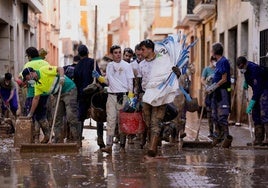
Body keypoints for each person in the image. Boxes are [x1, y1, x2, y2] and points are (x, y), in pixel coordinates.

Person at [139, 39, 179, 158]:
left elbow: (174, 73)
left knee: (156, 121)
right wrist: (135, 98)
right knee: (148, 121)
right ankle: (155, 140)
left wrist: (177, 72)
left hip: (160, 95)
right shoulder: (141, 65)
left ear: (151, 49)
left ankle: (152, 147)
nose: (141, 52)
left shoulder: (163, 61)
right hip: (146, 95)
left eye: (143, 49)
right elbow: (138, 82)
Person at [22, 65, 81, 145]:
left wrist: (62, 77)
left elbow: (60, 68)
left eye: (27, 78)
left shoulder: (44, 69)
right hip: (57, 94)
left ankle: (77, 141)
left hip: (69, 90)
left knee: (71, 116)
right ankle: (58, 141)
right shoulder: (37, 85)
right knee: (56, 117)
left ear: (31, 73)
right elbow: (36, 99)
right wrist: (31, 113)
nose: (28, 81)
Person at [92, 45, 135, 153]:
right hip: (111, 96)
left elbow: (131, 82)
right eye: (115, 52)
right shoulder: (110, 66)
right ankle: (109, 145)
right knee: (111, 121)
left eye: (119, 52)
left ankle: (122, 145)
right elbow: (107, 82)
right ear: (112, 54)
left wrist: (131, 99)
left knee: (122, 122)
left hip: (124, 96)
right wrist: (99, 77)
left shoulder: (127, 66)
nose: (118, 54)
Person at [73, 44, 104, 148]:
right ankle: (100, 139)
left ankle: (78, 141)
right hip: (94, 93)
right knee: (99, 115)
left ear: (79, 54)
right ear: (87, 52)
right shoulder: (93, 62)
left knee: (80, 117)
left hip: (82, 94)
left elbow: (76, 82)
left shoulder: (77, 66)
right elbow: (99, 77)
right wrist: (103, 86)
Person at [20, 47, 51, 143]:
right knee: (42, 115)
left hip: (32, 93)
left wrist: (27, 83)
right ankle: (47, 136)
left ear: (29, 56)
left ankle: (33, 138)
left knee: (31, 116)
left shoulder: (28, 64)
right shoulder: (45, 63)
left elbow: (22, 79)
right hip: (45, 93)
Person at [236, 56, 268, 146]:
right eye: (239, 68)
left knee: (264, 113)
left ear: (245, 64)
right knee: (256, 113)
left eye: (242, 67)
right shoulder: (246, 70)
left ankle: (267, 139)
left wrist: (252, 101)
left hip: (265, 89)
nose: (241, 70)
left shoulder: (254, 69)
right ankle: (258, 139)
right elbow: (253, 85)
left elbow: (258, 88)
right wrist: (246, 82)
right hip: (257, 90)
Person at [206, 42, 232, 148]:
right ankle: (219, 137)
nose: (211, 52)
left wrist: (213, 87)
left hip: (222, 92)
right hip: (216, 93)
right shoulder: (218, 62)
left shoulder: (223, 61)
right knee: (215, 116)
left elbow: (224, 78)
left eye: (212, 50)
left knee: (222, 116)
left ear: (215, 52)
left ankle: (226, 139)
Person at [201, 56, 217, 138]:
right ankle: (211, 131)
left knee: (216, 113)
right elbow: (202, 79)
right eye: (214, 61)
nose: (215, 63)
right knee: (209, 113)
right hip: (208, 93)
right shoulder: (206, 69)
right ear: (211, 61)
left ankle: (217, 131)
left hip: (216, 93)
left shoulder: (217, 69)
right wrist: (206, 84)